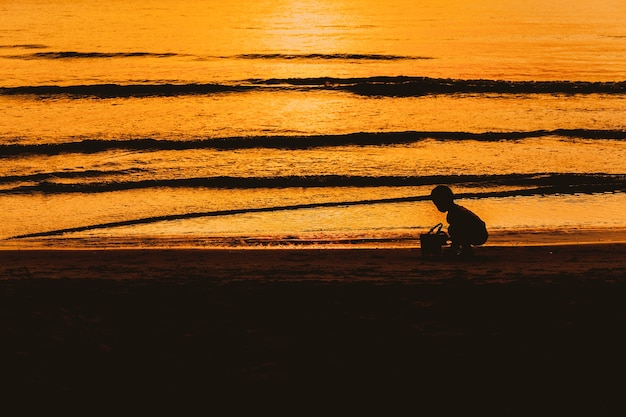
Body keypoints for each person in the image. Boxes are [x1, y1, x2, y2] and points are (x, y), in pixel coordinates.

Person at [430, 185, 488, 257]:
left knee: (454, 229)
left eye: (437, 202)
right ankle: (465, 249)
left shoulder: (455, 213)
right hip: (480, 233)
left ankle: (467, 250)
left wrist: (453, 248)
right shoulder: (456, 210)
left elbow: (458, 232)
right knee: (454, 229)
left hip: (479, 235)